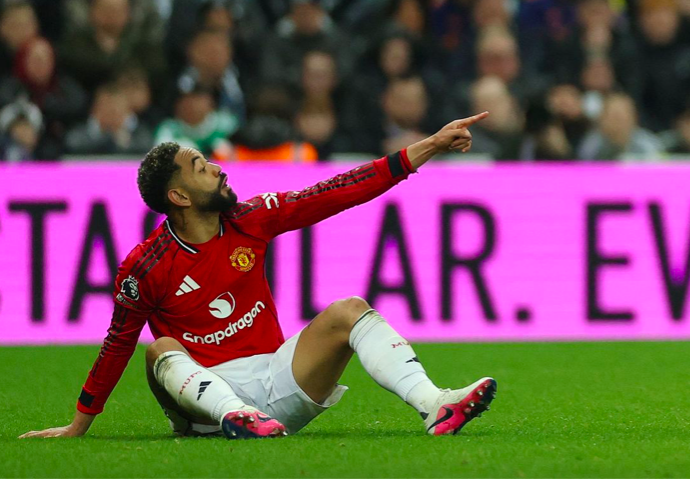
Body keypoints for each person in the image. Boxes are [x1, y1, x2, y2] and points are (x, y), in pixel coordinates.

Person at [19, 116, 497, 440]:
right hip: (204, 409)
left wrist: (428, 147)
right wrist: (79, 425)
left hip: (277, 384)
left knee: (349, 311)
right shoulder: (146, 265)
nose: (217, 169)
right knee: (158, 349)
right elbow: (117, 343)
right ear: (179, 197)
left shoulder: (251, 218)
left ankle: (435, 404)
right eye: (202, 168)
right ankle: (235, 415)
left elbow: (336, 190)